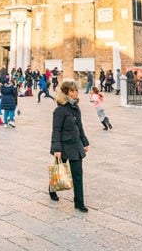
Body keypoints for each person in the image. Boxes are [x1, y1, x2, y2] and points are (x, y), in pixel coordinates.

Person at [49, 80, 90, 212]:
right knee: (59, 171)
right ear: (67, 92)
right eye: (73, 90)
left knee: (77, 174)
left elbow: (80, 126)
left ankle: (79, 202)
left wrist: (84, 142)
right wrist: (56, 149)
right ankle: (52, 189)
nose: (76, 92)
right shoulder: (59, 110)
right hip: (63, 146)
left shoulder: (76, 108)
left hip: (76, 145)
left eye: (76, 90)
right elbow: (56, 130)